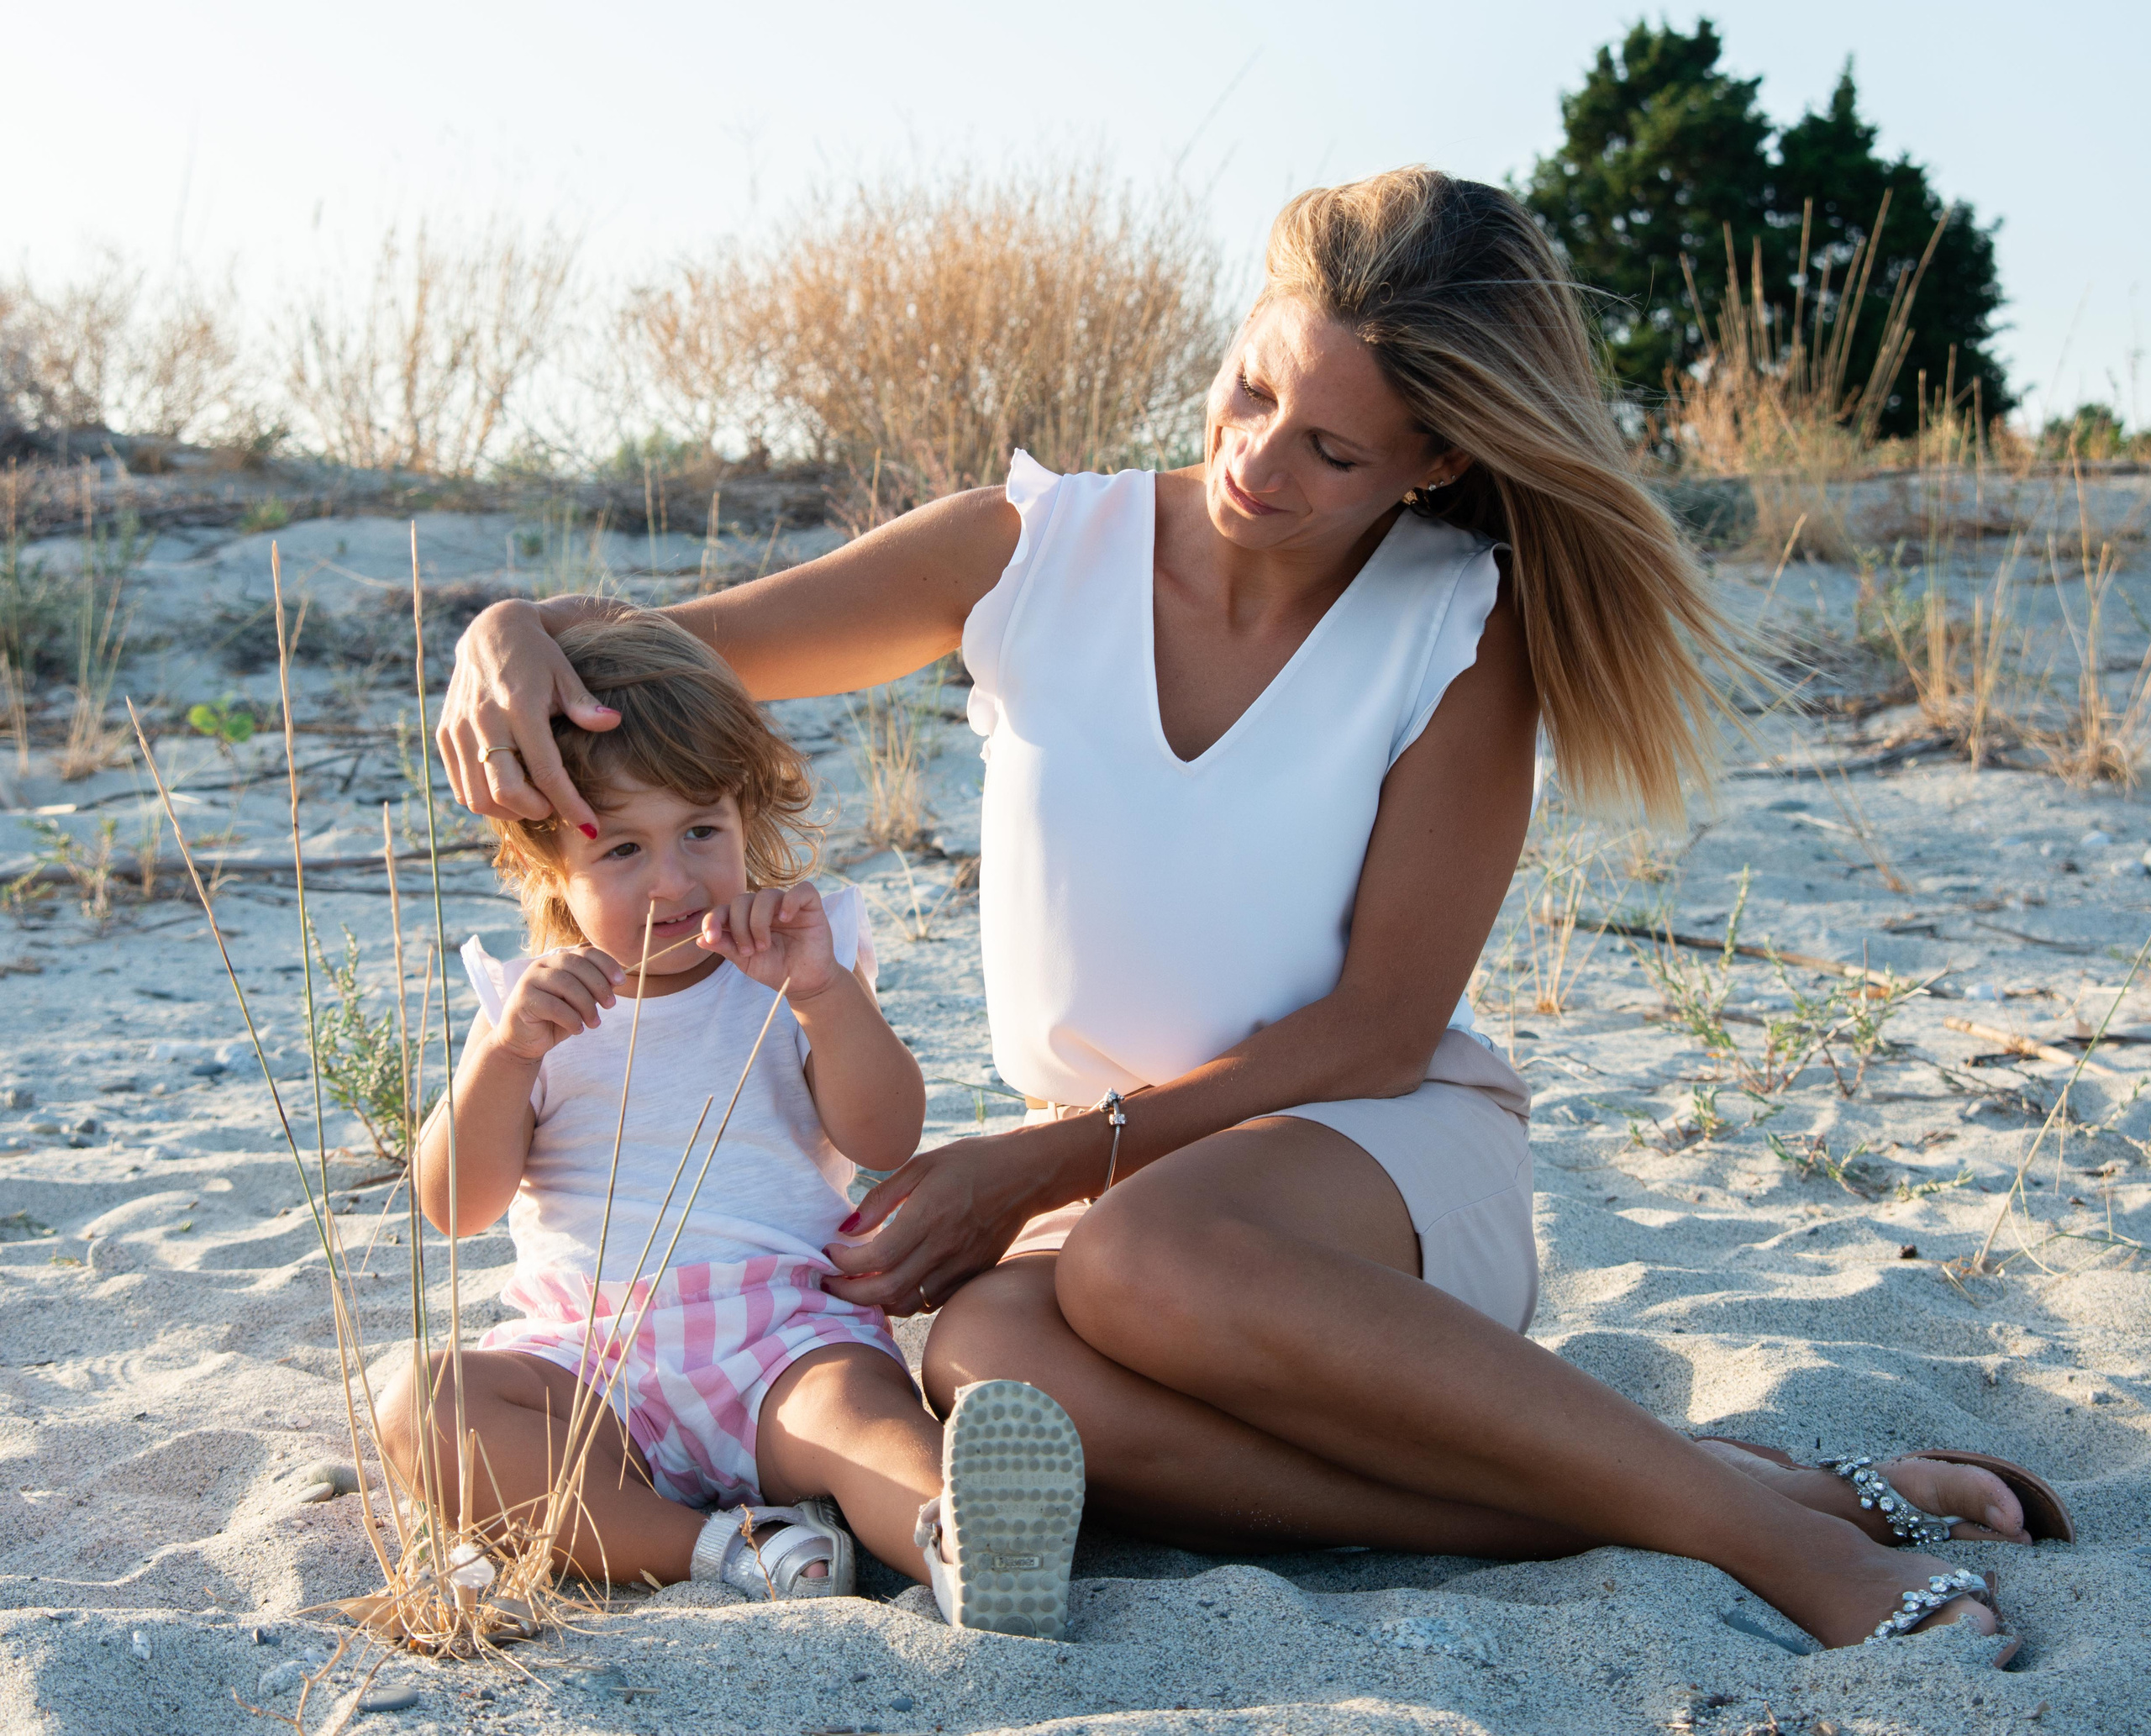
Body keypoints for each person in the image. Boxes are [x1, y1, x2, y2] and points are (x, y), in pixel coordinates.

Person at [435, 168, 2070, 1659]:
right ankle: (1726, 1482)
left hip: (1368, 1154)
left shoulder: (1455, 626)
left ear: (1435, 460)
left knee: (1152, 1251)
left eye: (1329, 449)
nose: (1250, 462)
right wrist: (504, 627)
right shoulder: (1026, 551)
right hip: (1116, 1211)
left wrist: (1047, 1160)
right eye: (1250, 388)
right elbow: (654, 653)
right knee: (987, 1366)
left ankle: (1772, 1544)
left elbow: (1375, 1029)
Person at [381, 610, 1086, 1639]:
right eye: (621, 846)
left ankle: (963, 1543)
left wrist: (823, 997)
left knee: (861, 1422)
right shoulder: (529, 1005)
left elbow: (885, 1134)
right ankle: (715, 1549)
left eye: (700, 831)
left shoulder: (805, 953)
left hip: (780, 1337)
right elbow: (453, 1205)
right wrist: (505, 1055)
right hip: (584, 1359)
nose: (672, 879)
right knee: (421, 1400)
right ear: (544, 865)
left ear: (744, 814)